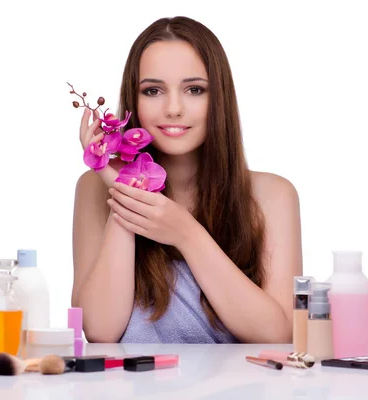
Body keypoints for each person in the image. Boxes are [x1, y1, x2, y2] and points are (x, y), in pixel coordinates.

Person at [71, 16, 302, 344]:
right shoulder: (94, 188)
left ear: (218, 98)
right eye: (153, 90)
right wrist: (124, 189)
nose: (174, 108)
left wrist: (186, 234)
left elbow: (277, 335)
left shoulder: (272, 195)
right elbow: (99, 330)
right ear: (134, 100)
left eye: (195, 90)